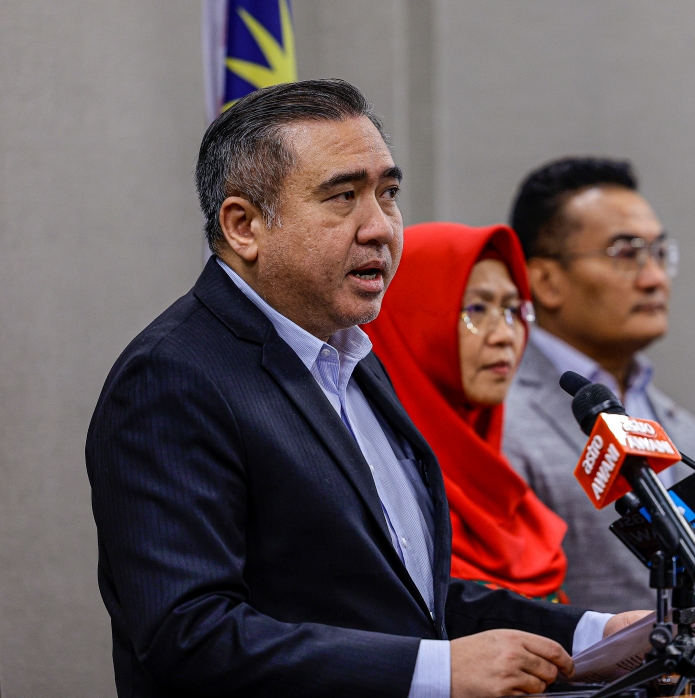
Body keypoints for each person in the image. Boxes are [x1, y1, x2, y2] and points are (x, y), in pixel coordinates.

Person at [85, 80, 644, 698]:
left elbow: (408, 597)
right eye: (343, 196)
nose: (381, 228)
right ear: (243, 226)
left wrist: (597, 634)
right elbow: (188, 637)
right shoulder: (172, 378)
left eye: (389, 194)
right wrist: (435, 673)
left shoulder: (351, 355)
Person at [503, 157, 695, 614]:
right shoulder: (501, 420)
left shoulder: (685, 428)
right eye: (625, 253)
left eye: (659, 253)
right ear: (545, 281)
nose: (654, 278)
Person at [364, 222, 569, 602]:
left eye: (512, 310)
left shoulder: (503, 496)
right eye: (476, 308)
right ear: (409, 319)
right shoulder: (372, 495)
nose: (505, 334)